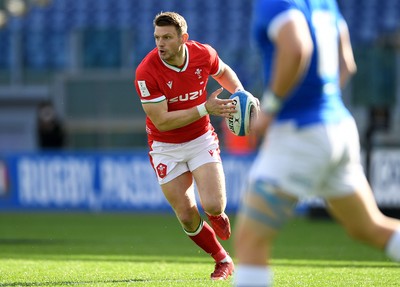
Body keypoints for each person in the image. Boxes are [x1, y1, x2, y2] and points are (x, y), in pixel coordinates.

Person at [233, 0, 400, 286]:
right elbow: (346, 64)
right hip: (338, 127)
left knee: (251, 240)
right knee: (369, 227)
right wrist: (323, 102)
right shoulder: (324, 2)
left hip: (300, 133)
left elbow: (297, 47)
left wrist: (271, 109)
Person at [134, 11, 250, 280]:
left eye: (167, 38)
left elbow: (222, 72)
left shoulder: (203, 54)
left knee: (212, 205)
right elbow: (162, 121)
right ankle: (223, 259)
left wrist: (241, 92)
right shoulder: (146, 71)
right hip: (165, 146)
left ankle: (217, 214)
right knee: (186, 215)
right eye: (157, 38)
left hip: (200, 139)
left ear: (183, 38)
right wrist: (204, 108)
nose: (160, 44)